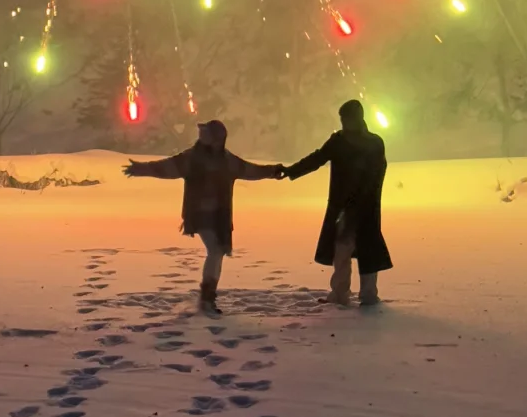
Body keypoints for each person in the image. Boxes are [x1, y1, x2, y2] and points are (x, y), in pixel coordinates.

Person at [123, 119, 283, 315]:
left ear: (218, 139)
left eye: (207, 134)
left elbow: (249, 170)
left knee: (218, 252)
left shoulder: (227, 160)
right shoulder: (193, 158)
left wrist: (272, 171)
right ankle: (206, 299)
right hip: (199, 214)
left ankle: (208, 297)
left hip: (220, 216)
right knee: (216, 251)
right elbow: (168, 167)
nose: (202, 137)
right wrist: (141, 168)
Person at [285, 99, 392, 307]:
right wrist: (291, 171)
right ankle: (341, 293)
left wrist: (365, 196)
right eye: (342, 119)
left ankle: (367, 295)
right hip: (346, 206)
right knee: (342, 250)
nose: (344, 122)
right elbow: (318, 158)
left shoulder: (372, 143)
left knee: (365, 250)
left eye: (347, 118)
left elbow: (378, 173)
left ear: (357, 118)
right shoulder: (341, 141)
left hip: (364, 207)